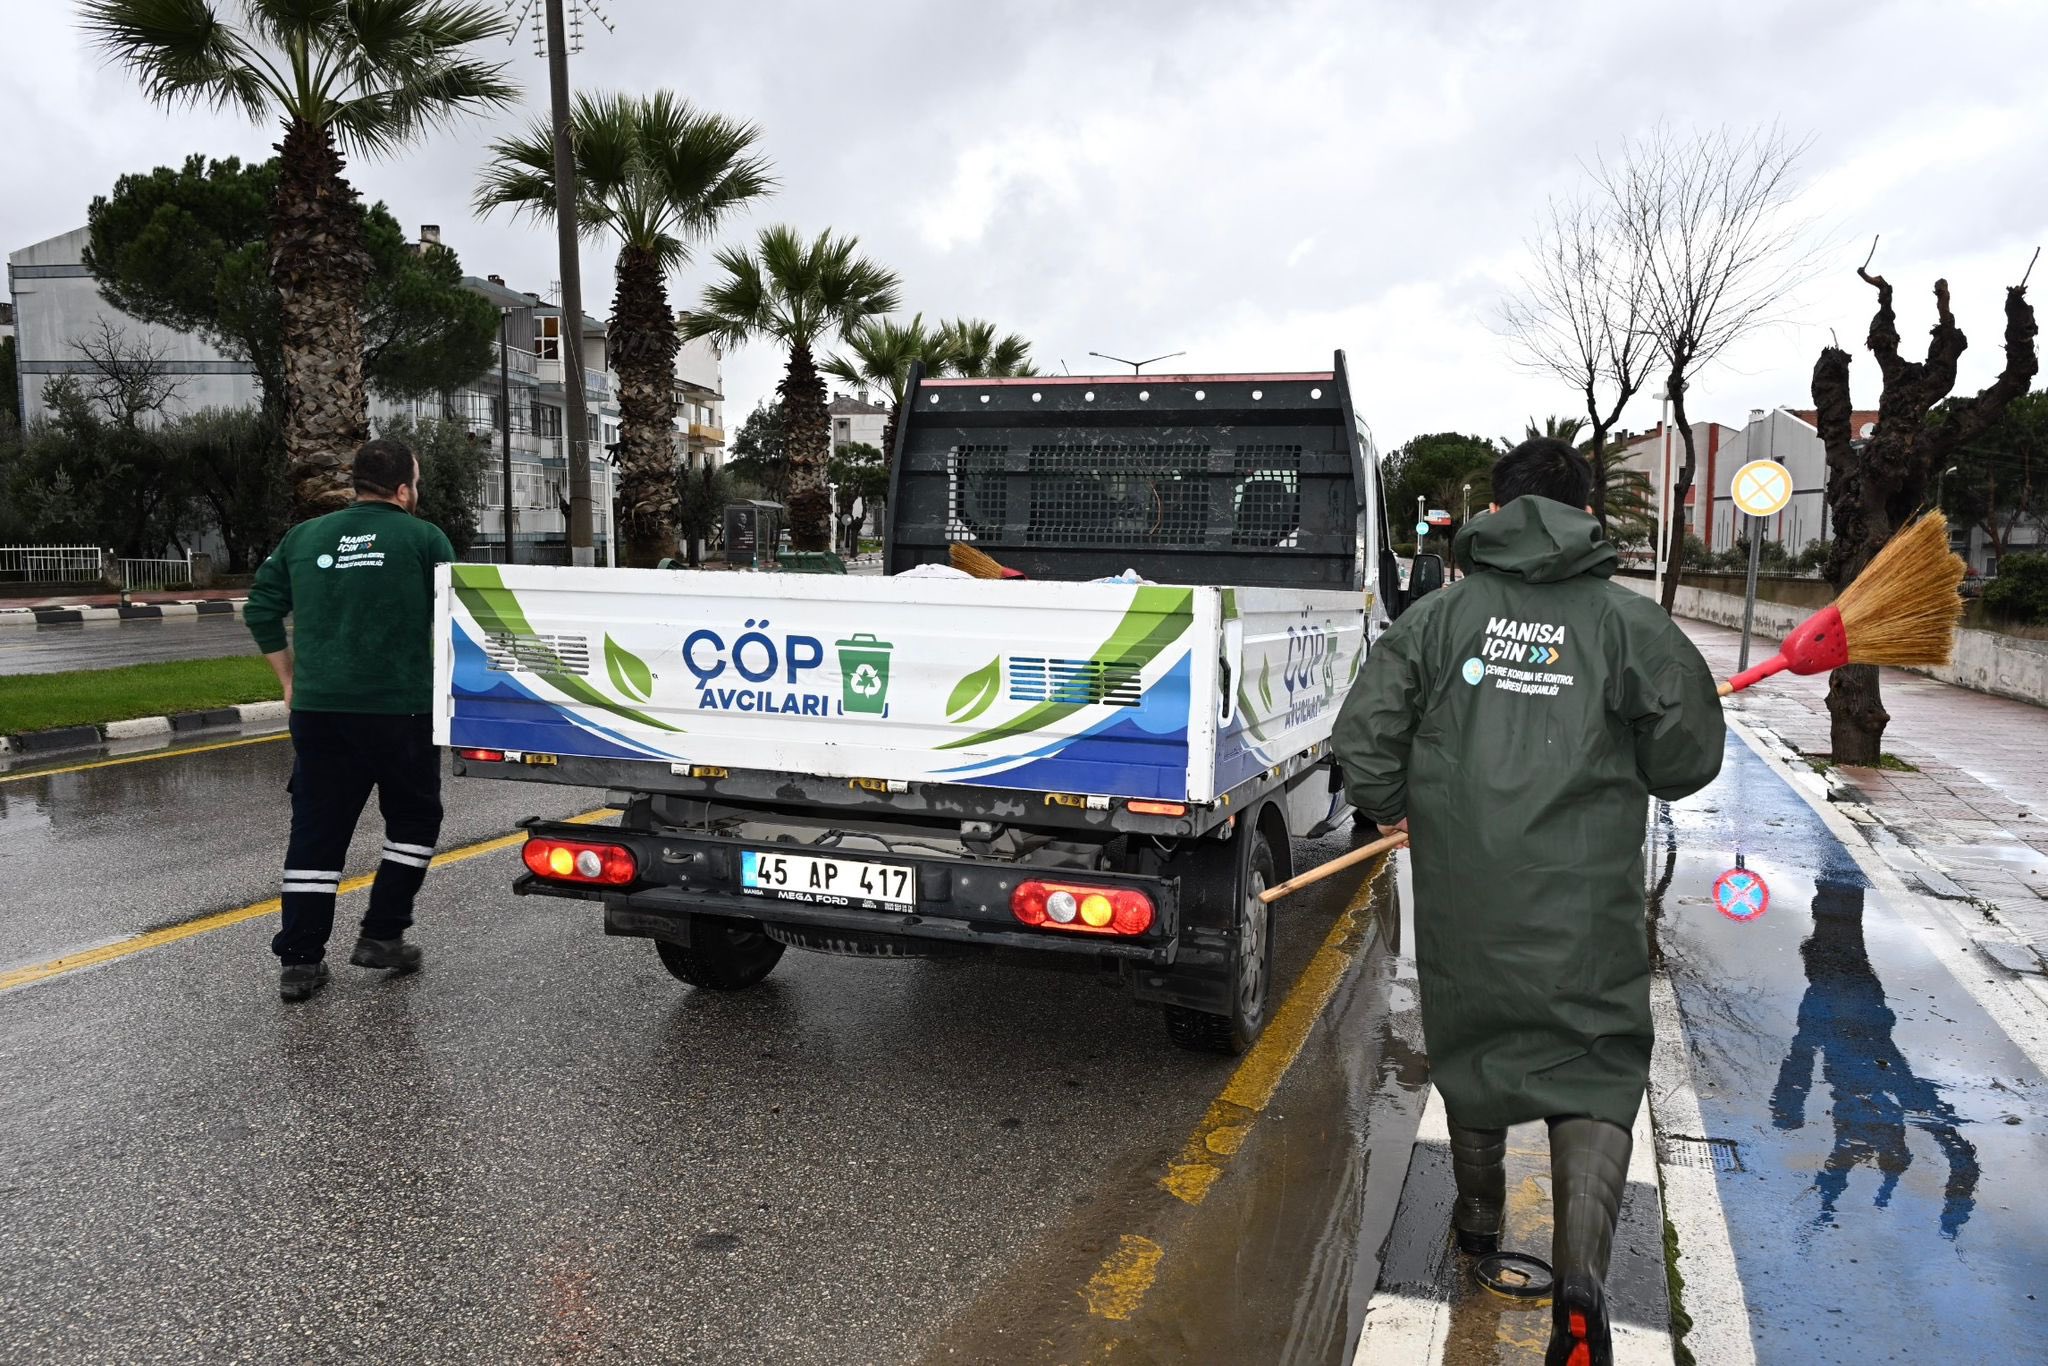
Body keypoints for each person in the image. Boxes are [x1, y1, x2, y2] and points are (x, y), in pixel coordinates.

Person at [1334, 438, 1723, 1365]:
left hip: (1469, 891)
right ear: (1587, 513)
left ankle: (1477, 1223)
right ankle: (1580, 1279)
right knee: (1592, 1062)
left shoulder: (1437, 617)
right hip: (1584, 901)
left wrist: (1397, 810)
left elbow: (1366, 737)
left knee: (1473, 1036)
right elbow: (1686, 762)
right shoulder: (1630, 626)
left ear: (1497, 513)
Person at [245, 439, 456, 1002]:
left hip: (319, 714)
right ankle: (382, 934)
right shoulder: (424, 538)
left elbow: (260, 607)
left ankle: (300, 962)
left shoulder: (304, 536)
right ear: (405, 488)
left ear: (356, 483)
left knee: (317, 834)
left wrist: (289, 682)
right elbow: (457, 619)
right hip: (400, 711)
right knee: (413, 821)